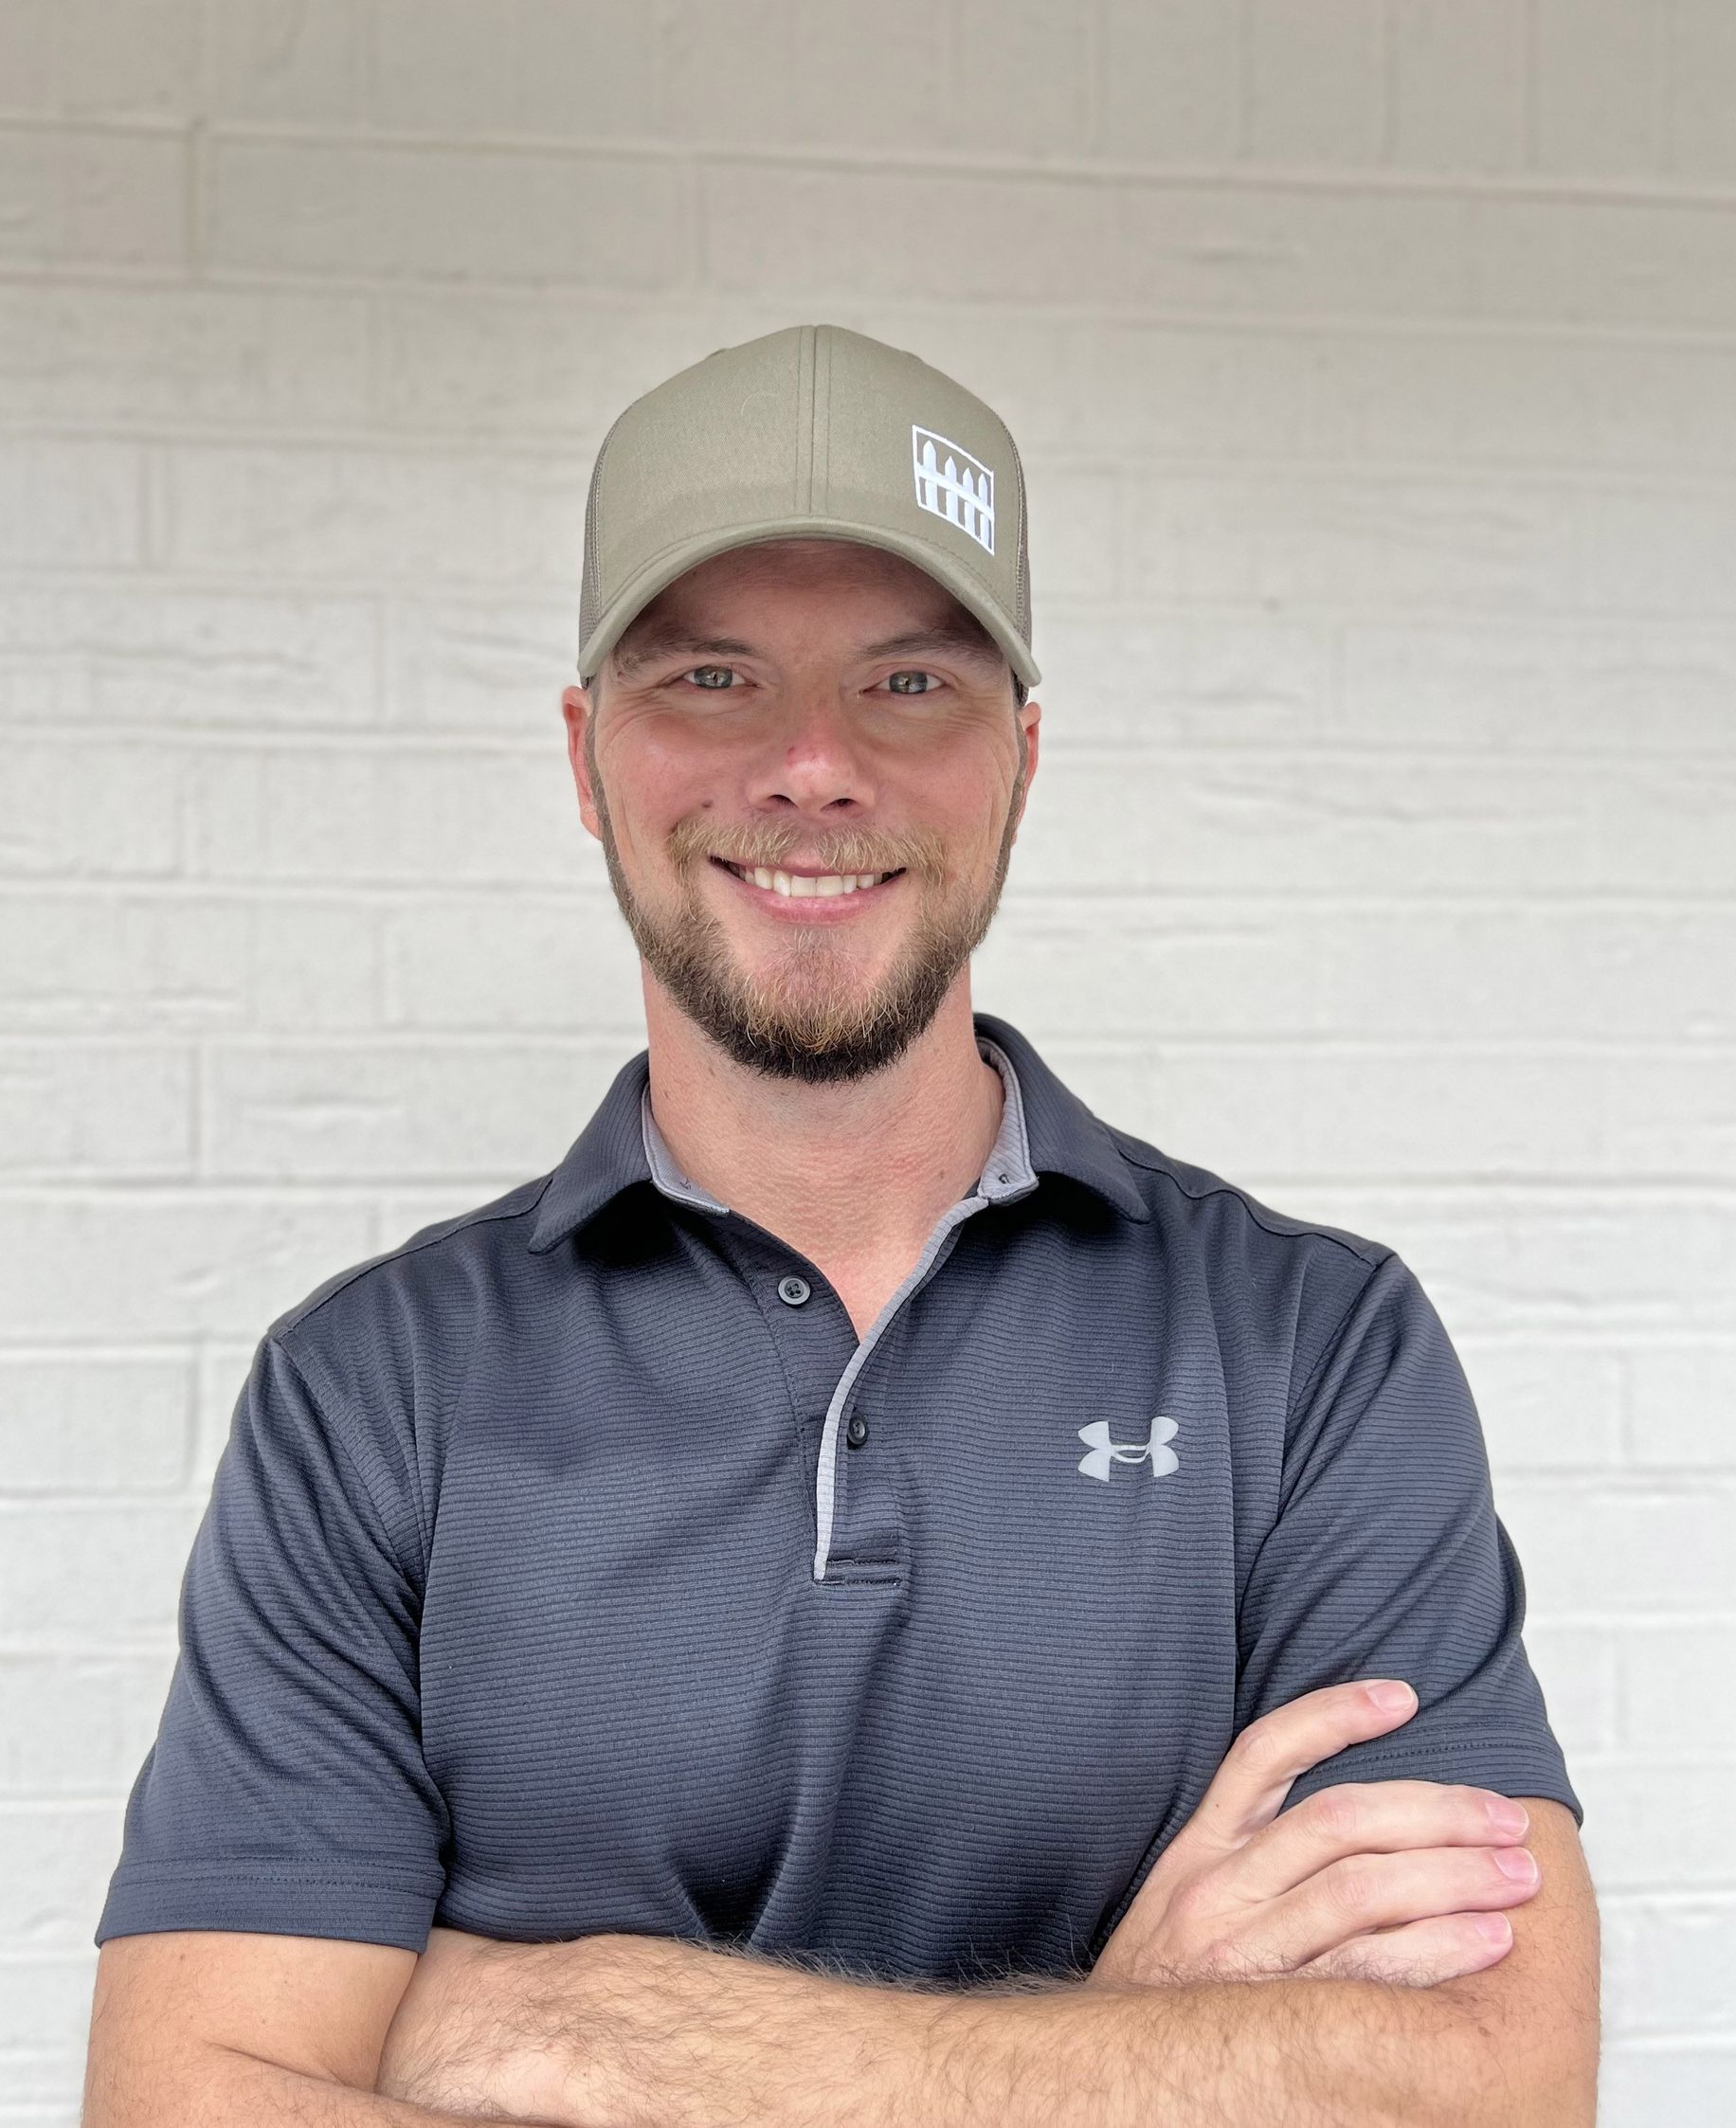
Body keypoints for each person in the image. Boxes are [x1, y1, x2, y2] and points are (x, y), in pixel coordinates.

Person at [82, 325, 1599, 2125]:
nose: (810, 767)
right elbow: (189, 2097)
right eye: (712, 676)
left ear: (1022, 757)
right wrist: (1126, 2039)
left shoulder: (1309, 1348)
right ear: (586, 758)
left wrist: (585, 2025)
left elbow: (1496, 2082)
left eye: (907, 685)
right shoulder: (373, 1390)